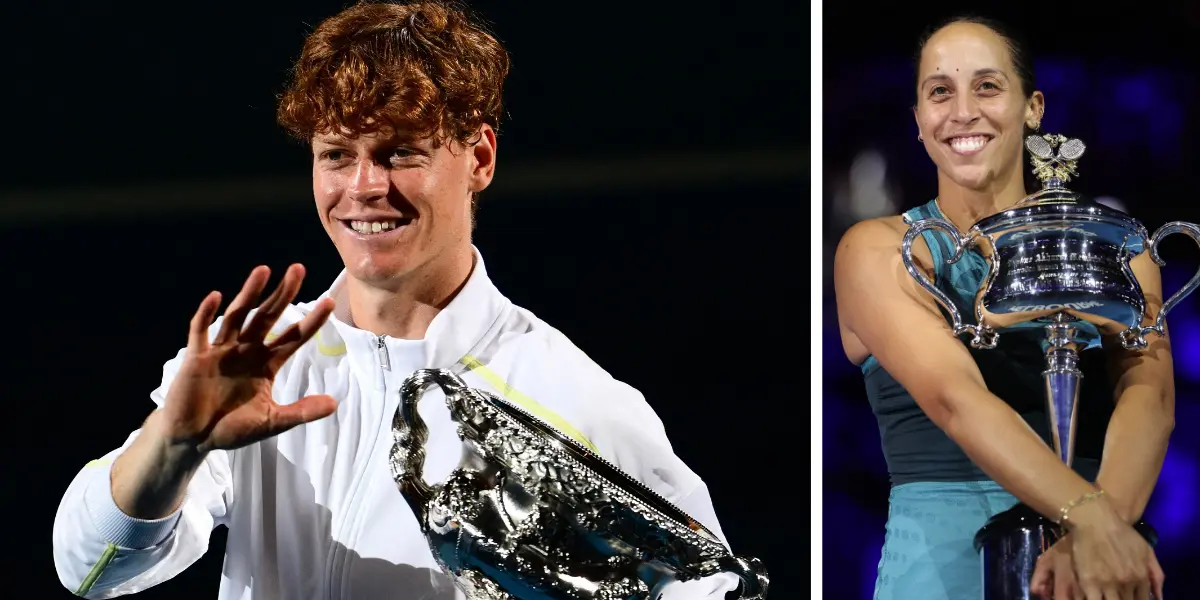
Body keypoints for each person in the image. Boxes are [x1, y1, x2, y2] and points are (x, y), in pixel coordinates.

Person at [50, 2, 739, 598]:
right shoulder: (255, 366)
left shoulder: (576, 399)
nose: (364, 187)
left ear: (480, 159)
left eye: (401, 152)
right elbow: (89, 569)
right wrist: (173, 440)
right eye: (336, 154)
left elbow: (711, 582)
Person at [833, 16, 1175, 600]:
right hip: (946, 567)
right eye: (939, 92)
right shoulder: (880, 249)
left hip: (1096, 568)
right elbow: (957, 401)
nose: (962, 111)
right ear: (918, 119)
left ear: (1033, 107)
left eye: (987, 87)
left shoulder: (1114, 244)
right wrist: (1086, 516)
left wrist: (1097, 534)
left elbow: (1151, 395)